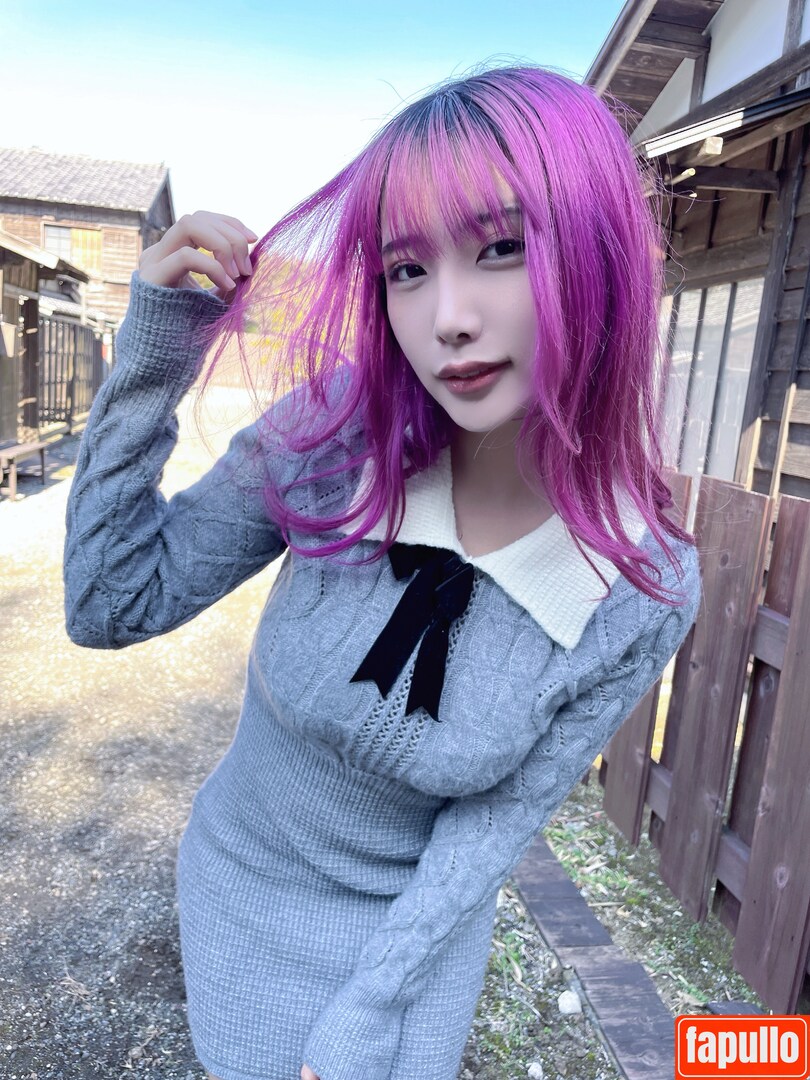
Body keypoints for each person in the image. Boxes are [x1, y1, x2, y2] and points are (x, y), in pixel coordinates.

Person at [63, 63, 703, 1080]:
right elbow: (110, 602)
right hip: (240, 889)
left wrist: (370, 1013)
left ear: (601, 257)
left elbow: (492, 827)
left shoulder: (646, 585)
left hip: (413, 945)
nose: (448, 316)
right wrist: (149, 361)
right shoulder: (334, 434)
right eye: (406, 268)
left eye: (502, 247)